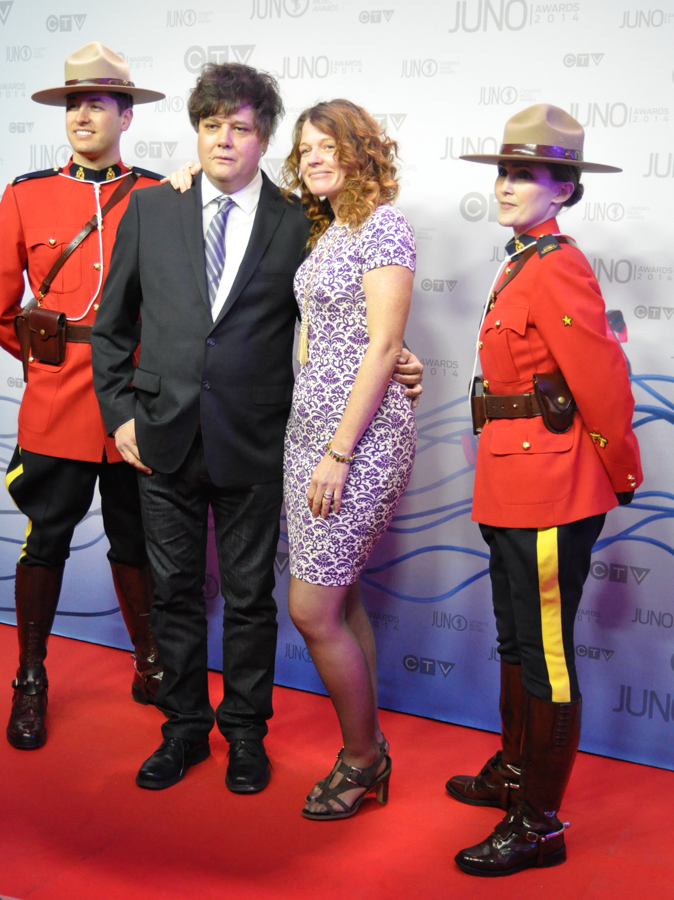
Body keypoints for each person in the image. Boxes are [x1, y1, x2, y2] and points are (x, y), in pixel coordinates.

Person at [91, 64, 423, 795]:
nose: (224, 140)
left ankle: (245, 735)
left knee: (248, 600)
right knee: (173, 594)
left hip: (259, 442)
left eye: (241, 127)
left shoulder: (299, 220)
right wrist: (120, 416)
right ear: (196, 131)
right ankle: (181, 729)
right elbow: (110, 330)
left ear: (263, 137)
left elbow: (352, 310)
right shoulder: (151, 208)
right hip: (161, 438)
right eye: (211, 125)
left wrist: (400, 356)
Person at [447, 105, 642, 875]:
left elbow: (600, 382)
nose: (505, 184)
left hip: (553, 488)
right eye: (502, 170)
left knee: (547, 659)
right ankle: (517, 772)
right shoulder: (519, 259)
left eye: (524, 173)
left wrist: (618, 470)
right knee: (514, 640)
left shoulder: (557, 263)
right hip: (510, 477)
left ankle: (539, 825)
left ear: (562, 188)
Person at [0, 42, 167, 750]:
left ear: (124, 113)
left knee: (136, 540)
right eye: (72, 104)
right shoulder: (28, 194)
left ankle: (150, 665)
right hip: (56, 402)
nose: (82, 115)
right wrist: (46, 366)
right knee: (45, 541)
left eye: (96, 103)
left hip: (135, 407)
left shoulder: (156, 195)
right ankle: (30, 679)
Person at [278, 100, 416, 819]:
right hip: (307, 436)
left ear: (360, 150)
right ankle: (370, 751)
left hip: (354, 442)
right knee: (342, 595)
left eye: (327, 146)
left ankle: (362, 759)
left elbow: (384, 346)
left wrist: (337, 451)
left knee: (312, 607)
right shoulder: (326, 227)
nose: (314, 159)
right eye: (304, 150)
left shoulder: (381, 225)